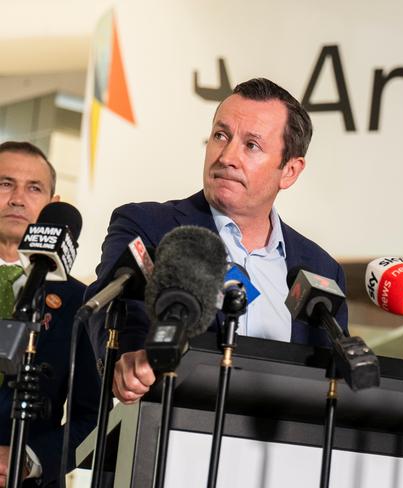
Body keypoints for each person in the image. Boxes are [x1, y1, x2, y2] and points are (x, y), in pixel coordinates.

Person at [85, 78, 348, 405]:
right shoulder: (148, 224)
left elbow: (328, 380)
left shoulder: (321, 268)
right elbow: (116, 305)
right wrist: (129, 358)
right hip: (168, 432)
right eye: (221, 135)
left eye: (251, 145)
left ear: (290, 171)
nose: (227, 156)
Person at [0, 141, 100, 487]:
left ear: (51, 205)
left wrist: (29, 457)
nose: (17, 198)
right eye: (5, 184)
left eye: (34, 188)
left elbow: (91, 416)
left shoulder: (79, 301)